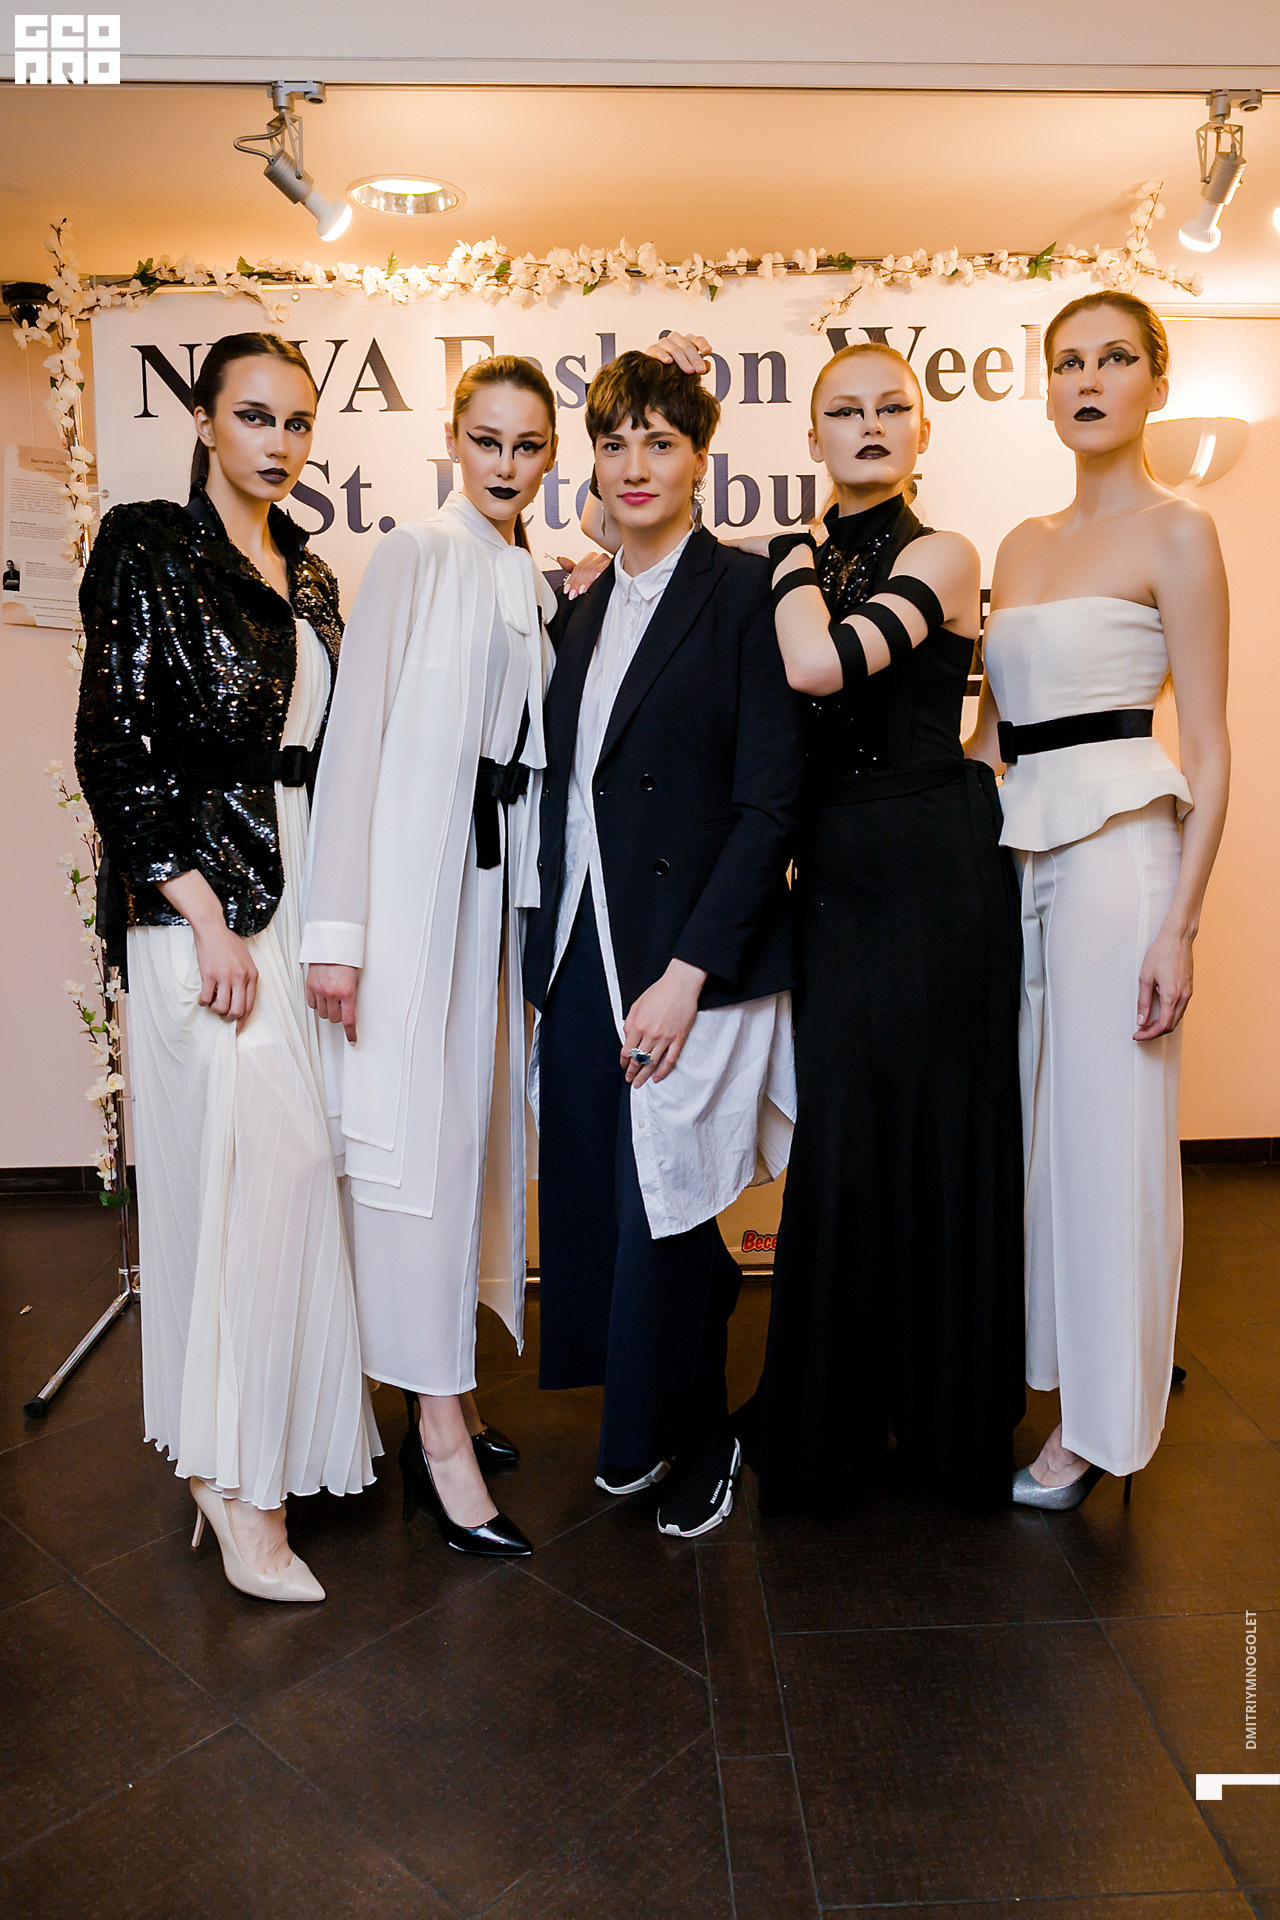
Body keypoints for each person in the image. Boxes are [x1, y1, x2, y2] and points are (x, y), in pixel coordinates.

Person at [76, 331, 377, 1604]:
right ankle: (236, 1486)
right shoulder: (147, 544)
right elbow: (113, 743)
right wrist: (200, 911)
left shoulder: (308, 574)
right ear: (204, 420)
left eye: (298, 421)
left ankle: (240, 1456)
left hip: (295, 888)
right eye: (255, 415)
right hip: (200, 904)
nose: (279, 440)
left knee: (277, 1187)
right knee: (263, 1174)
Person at [717, 337, 1027, 1513]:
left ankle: (941, 1419)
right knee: (845, 1136)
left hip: (934, 866)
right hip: (837, 871)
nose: (868, 425)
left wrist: (787, 553)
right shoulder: (794, 562)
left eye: (889, 407)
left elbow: (818, 666)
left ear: (920, 430)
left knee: (937, 1131)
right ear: (811, 436)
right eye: (843, 411)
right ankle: (837, 1409)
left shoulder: (942, 553)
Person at [524, 348, 803, 1538]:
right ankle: (638, 1421)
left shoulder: (742, 592)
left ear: (699, 459)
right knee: (606, 1193)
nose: (634, 464)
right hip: (583, 946)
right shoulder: (582, 608)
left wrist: (688, 975)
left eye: (660, 441)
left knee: (675, 1202)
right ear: (592, 461)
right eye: (614, 442)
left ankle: (702, 1437)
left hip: (690, 954)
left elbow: (769, 803)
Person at [970, 291, 1230, 1509]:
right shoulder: (1017, 544)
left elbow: (1212, 746)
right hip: (1015, 856)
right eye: (1066, 362)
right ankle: (1056, 1379)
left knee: (1108, 1137)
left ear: (1152, 385)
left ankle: (1097, 1428)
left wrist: (1180, 925)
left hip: (1122, 853)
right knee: (1033, 1135)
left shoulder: (1178, 533)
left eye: (1112, 359)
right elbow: (989, 739)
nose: (1086, 380)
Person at [302, 356, 559, 1557]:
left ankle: (444, 1389)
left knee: (471, 1145)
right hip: (413, 896)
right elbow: (352, 745)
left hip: (493, 898)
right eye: (488, 440)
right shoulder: (411, 552)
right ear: (454, 440)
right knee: (417, 1150)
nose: (506, 464)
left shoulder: (524, 575)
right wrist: (337, 937)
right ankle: (438, 1434)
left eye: (528, 445)